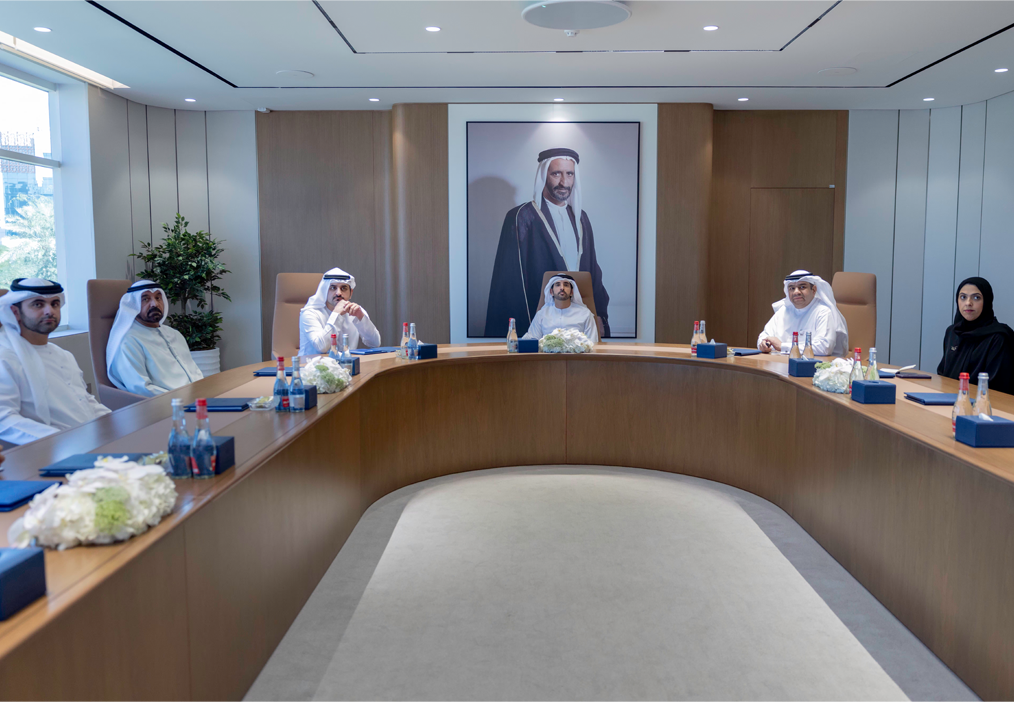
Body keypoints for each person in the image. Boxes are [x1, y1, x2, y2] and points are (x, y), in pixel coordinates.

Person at [484, 147, 610, 338]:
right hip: (540, 319)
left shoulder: (581, 218)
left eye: (569, 174)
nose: (564, 182)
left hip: (579, 320)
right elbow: (509, 280)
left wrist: (599, 313)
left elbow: (592, 269)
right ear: (544, 175)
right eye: (556, 174)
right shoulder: (522, 217)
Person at [0, 278, 110, 445]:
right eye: (38, 304)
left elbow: (85, 400)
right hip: (49, 450)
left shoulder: (63, 355)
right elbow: (4, 419)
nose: (49, 311)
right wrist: (62, 441)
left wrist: (114, 422)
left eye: (55, 304)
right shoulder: (5, 357)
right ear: (15, 312)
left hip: (92, 440)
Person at [107, 280, 204, 397]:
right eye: (145, 299)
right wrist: (181, 399)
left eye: (158, 298)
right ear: (133, 306)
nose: (155, 304)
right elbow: (141, 388)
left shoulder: (174, 334)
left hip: (198, 396)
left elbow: (194, 371)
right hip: (168, 403)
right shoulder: (128, 341)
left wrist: (203, 391)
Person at [937, 277, 1014, 394]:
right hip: (948, 398)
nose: (968, 303)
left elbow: (998, 386)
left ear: (986, 301)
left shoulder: (998, 337)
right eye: (963, 297)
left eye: (976, 298)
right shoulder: (952, 332)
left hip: (985, 402)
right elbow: (943, 373)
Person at [758, 270, 848, 356]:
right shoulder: (783, 311)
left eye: (802, 287)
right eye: (792, 288)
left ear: (813, 290)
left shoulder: (823, 312)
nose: (796, 292)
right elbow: (764, 336)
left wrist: (782, 346)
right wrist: (764, 344)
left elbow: (824, 347)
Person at [299, 268, 381, 357]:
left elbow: (375, 343)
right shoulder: (310, 313)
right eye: (333, 288)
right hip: (312, 365)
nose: (338, 293)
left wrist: (361, 318)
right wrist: (336, 314)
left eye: (343, 288)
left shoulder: (355, 311)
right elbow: (322, 347)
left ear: (351, 293)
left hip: (347, 364)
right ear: (324, 291)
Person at [522, 274, 600, 343]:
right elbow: (532, 339)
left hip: (577, 354)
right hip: (547, 354)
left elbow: (592, 342)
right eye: (557, 285)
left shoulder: (585, 314)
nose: (562, 288)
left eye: (566, 285)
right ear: (551, 292)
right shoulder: (542, 314)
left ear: (572, 292)